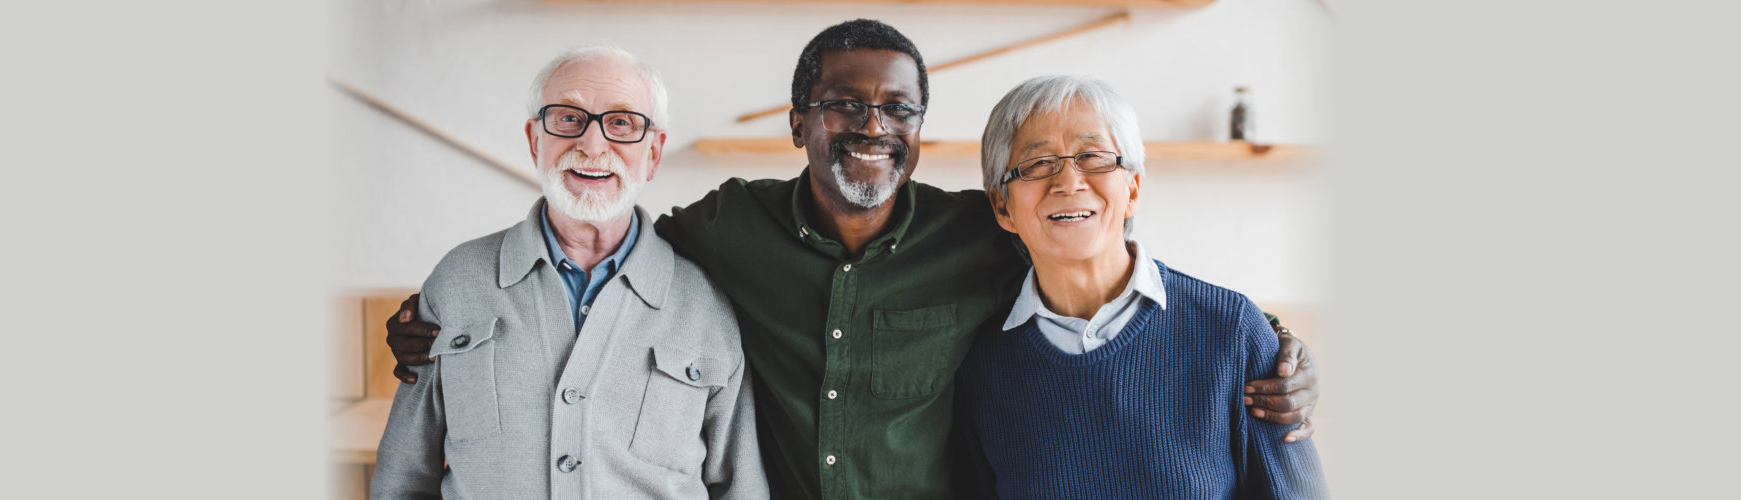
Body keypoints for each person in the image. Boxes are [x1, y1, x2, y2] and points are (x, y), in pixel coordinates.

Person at [384, 20, 1320, 498]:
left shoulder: (981, 236)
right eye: (842, 105)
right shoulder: (723, 228)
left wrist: (1272, 347)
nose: (870, 127)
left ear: (920, 129)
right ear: (800, 121)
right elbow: (607, 241)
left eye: (898, 110)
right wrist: (443, 317)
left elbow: (1097, 256)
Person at [369, 46, 767, 499]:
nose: (592, 145)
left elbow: (740, 487)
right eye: (567, 118)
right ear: (535, 140)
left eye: (621, 123)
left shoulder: (705, 303)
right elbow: (402, 477)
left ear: (653, 153)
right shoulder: (457, 281)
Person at [955, 75, 1327, 498]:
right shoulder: (981, 365)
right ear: (1003, 206)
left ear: (1132, 188)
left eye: (1093, 157)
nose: (1068, 182)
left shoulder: (1233, 332)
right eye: (1038, 164)